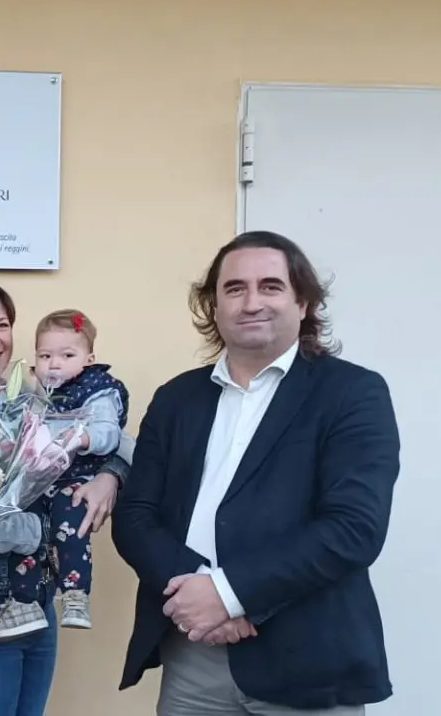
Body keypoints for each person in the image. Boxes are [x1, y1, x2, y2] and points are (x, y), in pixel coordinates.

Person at [112, 231, 399, 715]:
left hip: (307, 658)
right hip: (194, 655)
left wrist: (228, 595)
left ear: (302, 302)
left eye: (270, 286)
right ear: (215, 306)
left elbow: (354, 528)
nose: (251, 303)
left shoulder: (353, 393)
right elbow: (135, 516)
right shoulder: (177, 398)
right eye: (235, 288)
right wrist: (199, 594)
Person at [0, 277, 129, 716]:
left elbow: (122, 441)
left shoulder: (37, 393)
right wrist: (46, 529)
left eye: (2, 325)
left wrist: (110, 477)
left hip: (36, 597)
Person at [0, 309, 131, 640]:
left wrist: (83, 438)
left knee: (70, 526)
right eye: (45, 355)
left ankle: (75, 593)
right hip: (36, 481)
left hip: (75, 477)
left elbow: (110, 432)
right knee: (27, 534)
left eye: (67, 356)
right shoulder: (29, 388)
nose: (54, 364)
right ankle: (23, 603)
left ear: (89, 359)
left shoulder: (96, 389)